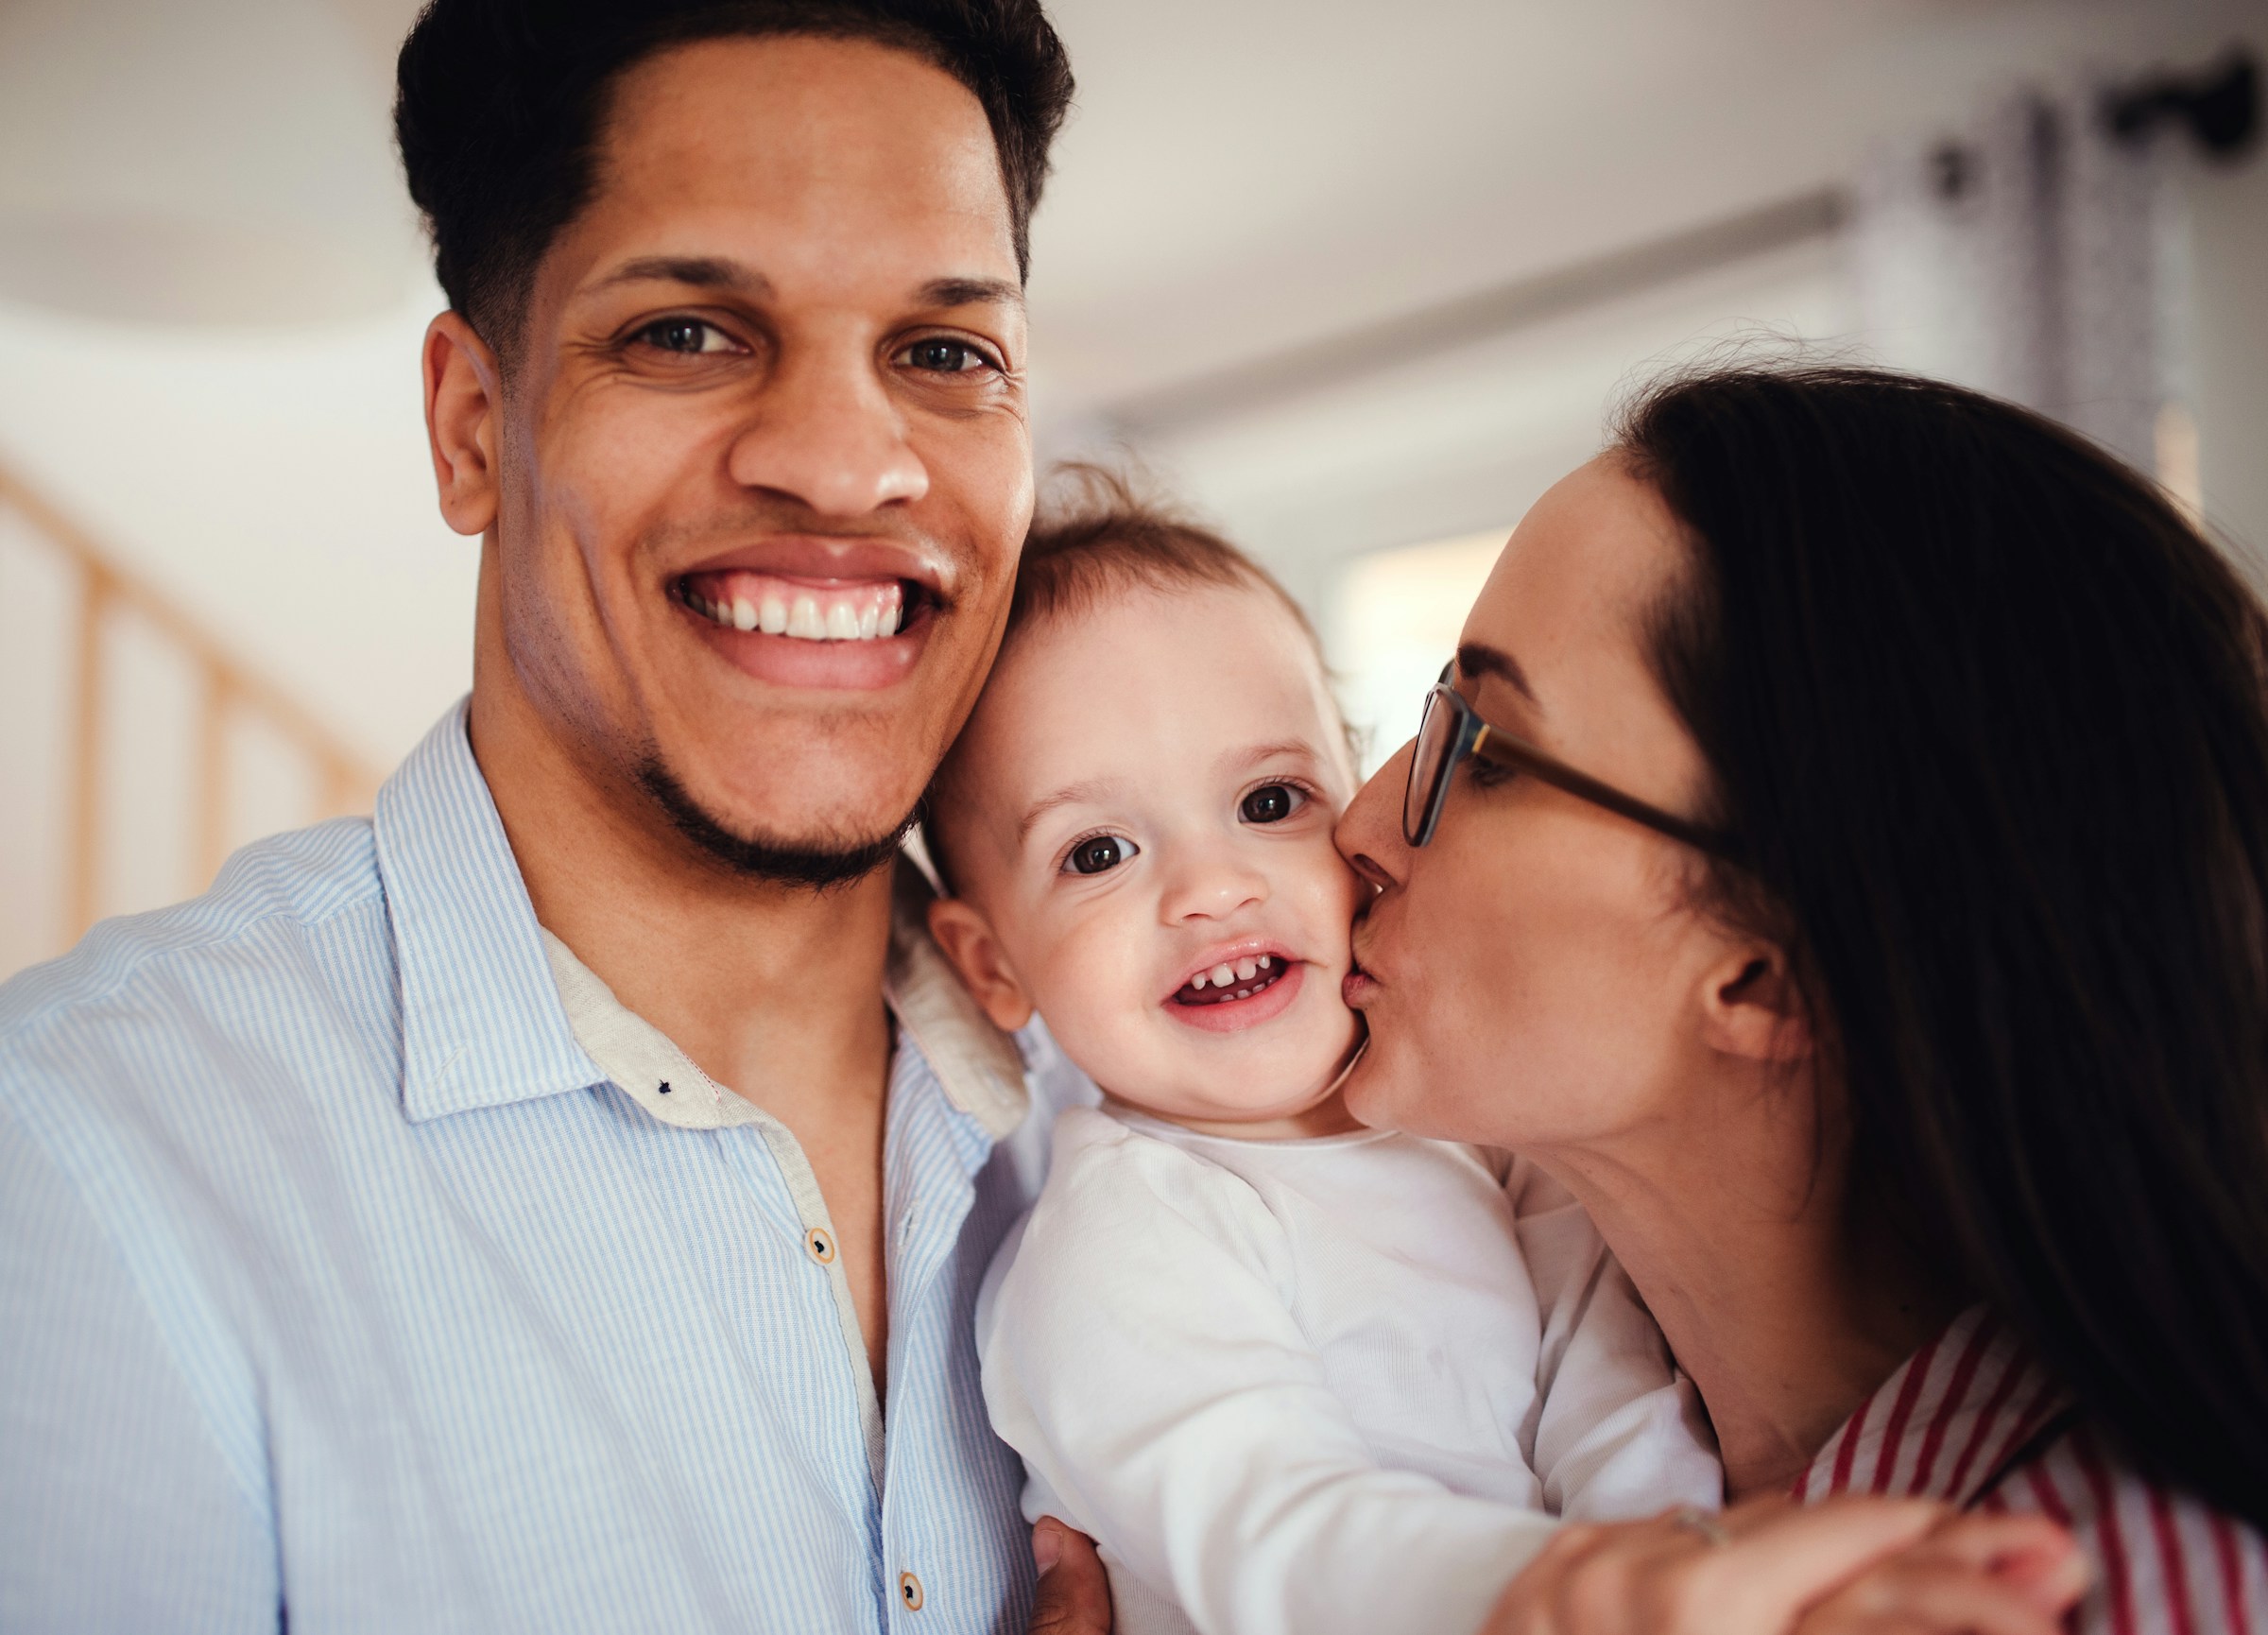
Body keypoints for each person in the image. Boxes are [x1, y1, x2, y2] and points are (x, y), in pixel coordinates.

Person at [0, 2, 1091, 1629]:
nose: (846, 465)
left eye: (945, 355)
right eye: (686, 332)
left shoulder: (1154, 1098)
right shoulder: (81, 1162)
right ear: (471, 429)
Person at [1321, 366, 2268, 1632]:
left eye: (1483, 748)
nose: (1362, 819)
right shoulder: (1438, 1381)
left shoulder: (2132, 1588)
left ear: (1766, 972)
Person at [917, 483, 1720, 1635]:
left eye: (1268, 799)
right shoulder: (1122, 1233)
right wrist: (1591, 1592)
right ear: (992, 964)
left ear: (1358, 812)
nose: (1210, 886)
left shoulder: (1483, 1125)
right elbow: (1279, 1531)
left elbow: (1611, 1387)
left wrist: (1687, 1560)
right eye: (1096, 850)